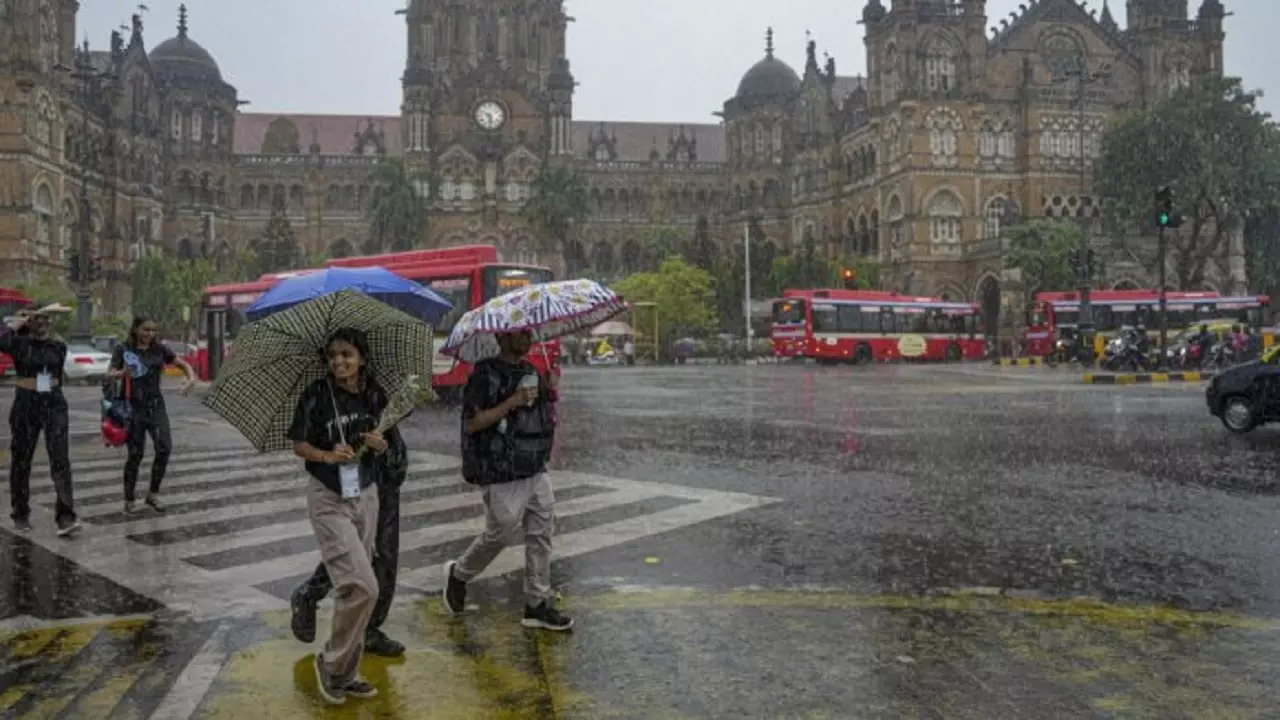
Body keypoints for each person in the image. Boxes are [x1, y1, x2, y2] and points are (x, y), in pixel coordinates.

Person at [443, 330, 572, 631]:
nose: (526, 338)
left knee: (542, 532)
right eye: (518, 334)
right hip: (500, 467)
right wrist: (511, 401)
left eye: (528, 332)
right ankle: (460, 574)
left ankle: (537, 603)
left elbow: (541, 413)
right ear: (501, 338)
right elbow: (473, 423)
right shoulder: (483, 375)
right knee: (500, 532)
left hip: (534, 464)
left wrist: (550, 389)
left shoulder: (531, 371)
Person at [289, 328, 389, 705]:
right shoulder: (316, 395)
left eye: (346, 354)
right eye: (333, 356)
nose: (339, 362)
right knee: (363, 586)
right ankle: (331, 664)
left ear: (361, 357)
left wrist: (379, 443)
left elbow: (384, 438)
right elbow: (299, 444)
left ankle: (345, 673)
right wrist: (329, 455)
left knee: (355, 590)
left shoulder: (374, 393)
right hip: (328, 496)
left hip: (366, 493)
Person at [290, 415, 409, 658]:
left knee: (382, 555)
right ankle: (312, 593)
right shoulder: (339, 398)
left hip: (386, 473)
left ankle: (369, 627)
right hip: (359, 479)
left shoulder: (376, 389)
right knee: (357, 554)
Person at [1, 305, 80, 536]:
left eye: (47, 320)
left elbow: (54, 373)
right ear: (28, 322)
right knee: (21, 460)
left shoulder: (58, 346)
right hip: (26, 403)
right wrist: (17, 323)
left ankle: (65, 517)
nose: (43, 323)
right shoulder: (18, 344)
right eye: (37, 319)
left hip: (53, 403)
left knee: (60, 459)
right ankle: (20, 513)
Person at [107, 317, 196, 514]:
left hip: (155, 406)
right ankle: (129, 497)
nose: (150, 334)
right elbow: (110, 373)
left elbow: (182, 364)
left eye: (153, 330)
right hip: (133, 408)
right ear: (136, 329)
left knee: (164, 447)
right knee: (135, 454)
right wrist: (122, 373)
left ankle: (153, 494)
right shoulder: (123, 349)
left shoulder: (160, 349)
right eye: (145, 330)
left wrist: (190, 378)